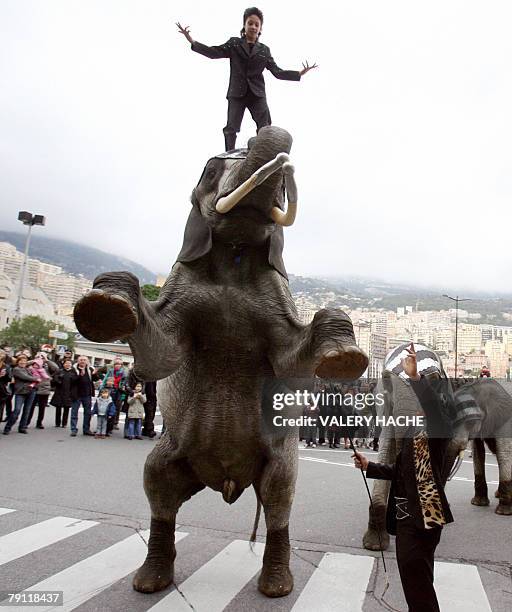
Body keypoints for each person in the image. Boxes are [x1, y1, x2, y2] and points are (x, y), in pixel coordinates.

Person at [352, 343, 454, 612]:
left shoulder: (438, 431)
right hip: (408, 515)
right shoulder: (412, 434)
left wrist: (417, 380)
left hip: (424, 517)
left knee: (416, 581)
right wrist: (369, 466)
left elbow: (432, 408)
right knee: (417, 581)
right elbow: (400, 471)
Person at [177, 7, 317, 151]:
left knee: (265, 126)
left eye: (257, 24)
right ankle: (229, 154)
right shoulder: (235, 43)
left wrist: (298, 74)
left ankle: (263, 153)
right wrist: (192, 41)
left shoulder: (264, 50)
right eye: (250, 23)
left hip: (257, 94)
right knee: (231, 127)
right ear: (244, 25)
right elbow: (214, 52)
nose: (253, 27)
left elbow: (277, 72)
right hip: (237, 92)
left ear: (260, 28)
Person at [3, 355, 38, 434]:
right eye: (21, 361)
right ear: (18, 361)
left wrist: (35, 378)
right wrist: (36, 379)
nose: (23, 362)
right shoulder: (16, 369)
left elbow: (34, 376)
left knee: (27, 410)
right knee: (17, 410)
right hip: (20, 392)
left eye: (25, 361)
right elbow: (26, 377)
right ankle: (8, 427)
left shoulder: (28, 369)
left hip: (31, 391)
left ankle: (22, 427)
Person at [26, 352, 59, 429]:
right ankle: (26, 422)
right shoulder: (32, 365)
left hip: (44, 388)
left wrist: (46, 360)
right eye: (38, 356)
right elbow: (25, 364)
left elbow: (56, 369)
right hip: (34, 388)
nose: (40, 358)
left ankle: (39, 422)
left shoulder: (47, 365)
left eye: (42, 356)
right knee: (30, 407)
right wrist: (35, 360)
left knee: (42, 407)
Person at [70, 356, 96, 437]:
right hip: (76, 394)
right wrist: (80, 375)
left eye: (84, 360)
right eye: (81, 360)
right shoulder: (74, 369)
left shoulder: (90, 369)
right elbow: (72, 380)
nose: (82, 361)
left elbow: (94, 379)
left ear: (87, 361)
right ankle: (73, 430)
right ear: (78, 361)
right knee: (74, 413)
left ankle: (86, 429)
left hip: (87, 394)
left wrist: (95, 374)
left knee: (88, 413)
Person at [102, 357, 127, 431]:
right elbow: (105, 380)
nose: (118, 365)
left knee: (117, 408)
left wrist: (123, 392)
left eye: (119, 364)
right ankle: (107, 423)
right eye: (116, 364)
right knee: (108, 406)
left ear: (121, 365)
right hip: (110, 390)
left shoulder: (124, 373)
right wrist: (102, 389)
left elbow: (125, 383)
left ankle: (115, 423)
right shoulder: (110, 371)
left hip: (119, 391)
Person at [50, 358, 76, 427]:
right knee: (58, 408)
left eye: (69, 363)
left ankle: (64, 423)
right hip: (59, 392)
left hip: (69, 392)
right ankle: (57, 423)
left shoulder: (73, 372)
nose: (67, 364)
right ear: (63, 364)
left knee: (66, 408)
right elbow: (53, 380)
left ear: (71, 365)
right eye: (66, 363)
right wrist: (57, 379)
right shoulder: (59, 371)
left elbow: (75, 383)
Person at [0, 350, 12, 423]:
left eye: (1, 354)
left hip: (1, 390)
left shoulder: (6, 366)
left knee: (0, 409)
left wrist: (6, 375)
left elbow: (9, 379)